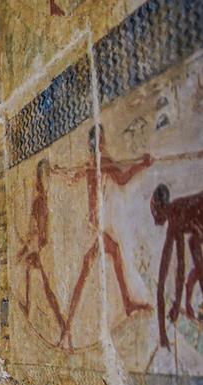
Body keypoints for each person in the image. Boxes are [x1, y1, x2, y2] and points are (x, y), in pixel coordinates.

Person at [57, 125, 152, 346]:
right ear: (100, 141)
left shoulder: (92, 163)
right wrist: (142, 164)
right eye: (102, 139)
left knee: (108, 256)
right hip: (95, 230)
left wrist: (62, 172)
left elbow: (74, 178)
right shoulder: (101, 162)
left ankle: (70, 325)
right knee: (86, 272)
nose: (103, 142)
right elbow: (122, 178)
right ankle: (68, 326)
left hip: (94, 228)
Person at [16, 160, 67, 344]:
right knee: (36, 279)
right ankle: (32, 308)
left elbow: (38, 232)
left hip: (43, 250)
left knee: (47, 290)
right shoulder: (42, 199)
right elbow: (35, 231)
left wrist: (30, 249)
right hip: (43, 249)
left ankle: (61, 325)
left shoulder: (41, 201)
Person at [149, 184, 203, 348]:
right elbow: (174, 271)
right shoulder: (176, 214)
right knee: (194, 242)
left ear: (159, 207)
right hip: (199, 225)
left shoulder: (175, 217)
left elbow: (176, 271)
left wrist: (176, 306)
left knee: (194, 242)